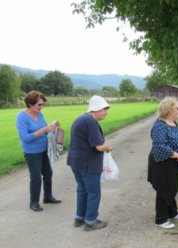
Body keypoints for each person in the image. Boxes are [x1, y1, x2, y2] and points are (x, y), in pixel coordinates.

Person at [67, 95, 112, 231]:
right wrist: (108, 147)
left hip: (76, 162)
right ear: (96, 109)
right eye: (104, 109)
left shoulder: (81, 118)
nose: (106, 112)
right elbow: (98, 146)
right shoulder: (91, 122)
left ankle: (79, 218)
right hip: (88, 163)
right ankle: (91, 222)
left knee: (82, 190)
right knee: (93, 192)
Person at [16, 91, 61, 212]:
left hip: (44, 149)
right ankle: (34, 202)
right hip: (31, 152)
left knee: (48, 174)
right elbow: (25, 138)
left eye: (42, 104)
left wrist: (53, 126)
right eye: (39, 105)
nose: (41, 107)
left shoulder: (39, 114)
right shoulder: (21, 117)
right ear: (30, 104)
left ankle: (47, 197)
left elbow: (46, 130)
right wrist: (43, 129)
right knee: (36, 177)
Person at [147, 96, 178, 229]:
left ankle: (172, 212)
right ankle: (160, 219)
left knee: (172, 187)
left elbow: (175, 142)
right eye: (177, 107)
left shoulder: (174, 124)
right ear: (169, 110)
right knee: (164, 188)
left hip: (171, 160)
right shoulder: (160, 125)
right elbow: (160, 146)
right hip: (161, 162)